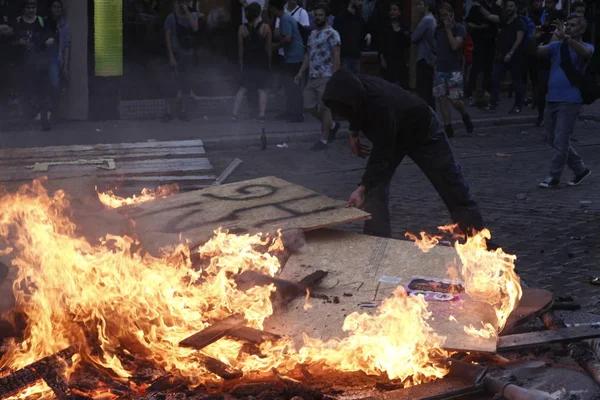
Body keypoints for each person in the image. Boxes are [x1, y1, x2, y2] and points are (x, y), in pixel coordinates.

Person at [322, 69, 485, 238]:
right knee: (375, 187)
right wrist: (353, 132)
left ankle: (477, 237)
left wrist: (361, 188)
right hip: (394, 133)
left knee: (450, 183)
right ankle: (377, 242)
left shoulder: (380, 105)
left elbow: (382, 155)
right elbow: (355, 110)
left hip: (423, 133)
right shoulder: (356, 87)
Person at [530, 14, 593, 188]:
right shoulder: (558, 46)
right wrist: (534, 39)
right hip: (552, 98)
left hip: (571, 100)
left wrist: (567, 38)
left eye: (573, 25)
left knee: (561, 140)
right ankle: (580, 169)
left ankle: (554, 176)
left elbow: (586, 54)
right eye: (568, 25)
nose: (569, 28)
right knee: (552, 139)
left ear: (581, 29)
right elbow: (539, 52)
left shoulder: (586, 46)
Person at [294, 3, 341, 150]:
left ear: (327, 17)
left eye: (321, 15)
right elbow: (308, 54)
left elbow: (336, 56)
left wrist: (335, 77)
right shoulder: (312, 34)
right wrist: (301, 72)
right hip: (312, 76)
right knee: (308, 106)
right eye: (316, 15)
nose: (318, 17)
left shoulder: (332, 33)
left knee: (325, 109)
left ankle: (324, 140)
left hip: (326, 75)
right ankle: (332, 125)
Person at [433, 2, 474, 137]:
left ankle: (464, 114)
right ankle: (448, 126)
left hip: (454, 70)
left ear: (452, 14)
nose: (444, 18)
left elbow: (455, 46)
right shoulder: (437, 29)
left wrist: (448, 30)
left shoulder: (459, 28)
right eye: (441, 15)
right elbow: (436, 47)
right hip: (440, 69)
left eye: (446, 15)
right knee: (441, 99)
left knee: (455, 100)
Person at [12, 0, 54, 130]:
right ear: (24, 8)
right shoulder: (18, 21)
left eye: (33, 7)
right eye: (28, 7)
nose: (31, 10)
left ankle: (43, 118)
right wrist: (19, 43)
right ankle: (27, 119)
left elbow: (50, 37)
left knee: (42, 91)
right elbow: (10, 40)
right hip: (23, 62)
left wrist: (43, 43)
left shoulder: (41, 21)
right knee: (26, 92)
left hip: (39, 61)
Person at [232, 3, 271, 122]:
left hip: (248, 62)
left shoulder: (242, 28)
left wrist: (240, 61)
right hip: (261, 62)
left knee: (242, 88)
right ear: (259, 13)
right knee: (262, 88)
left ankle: (234, 114)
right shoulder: (266, 28)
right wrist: (269, 63)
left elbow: (240, 48)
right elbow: (268, 48)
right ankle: (261, 115)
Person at [485, 0, 525, 113]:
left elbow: (519, 39)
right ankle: (493, 103)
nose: (509, 8)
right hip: (501, 55)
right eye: (507, 6)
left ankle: (518, 105)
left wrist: (511, 52)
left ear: (515, 7)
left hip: (514, 56)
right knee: (495, 79)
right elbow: (491, 15)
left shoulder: (519, 22)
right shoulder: (504, 21)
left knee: (517, 81)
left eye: (511, 6)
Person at [163, 0, 199, 122]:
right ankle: (168, 112)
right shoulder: (171, 18)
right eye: (181, 2)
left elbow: (195, 28)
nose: (183, 4)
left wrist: (188, 12)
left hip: (188, 54)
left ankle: (183, 111)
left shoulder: (192, 15)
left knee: (186, 85)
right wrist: (171, 56)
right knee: (171, 85)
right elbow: (167, 38)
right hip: (176, 54)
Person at [274, 0, 310, 121]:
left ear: (274, 8)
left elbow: (288, 38)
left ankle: (297, 114)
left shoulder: (285, 19)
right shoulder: (286, 17)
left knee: (293, 85)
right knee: (289, 85)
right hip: (293, 56)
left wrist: (275, 46)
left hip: (294, 57)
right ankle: (290, 111)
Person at [464, 0, 502, 107]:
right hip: (479, 42)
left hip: (492, 42)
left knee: (489, 70)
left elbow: (498, 20)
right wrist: (479, 28)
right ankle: (470, 93)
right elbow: (468, 23)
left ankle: (487, 94)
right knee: (476, 68)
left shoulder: (496, 8)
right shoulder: (476, 7)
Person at [45, 0, 70, 121]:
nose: (57, 9)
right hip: (43, 57)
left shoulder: (64, 24)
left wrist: (65, 65)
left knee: (55, 85)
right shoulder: (44, 22)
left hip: (55, 58)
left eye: (59, 7)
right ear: (50, 8)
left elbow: (66, 46)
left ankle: (49, 112)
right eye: (55, 7)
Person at [333, 0, 370, 74]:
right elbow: (335, 39)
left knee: (355, 83)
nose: (361, 3)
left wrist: (368, 35)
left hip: (356, 57)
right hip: (344, 57)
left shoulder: (360, 20)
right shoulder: (340, 18)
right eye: (359, 0)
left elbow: (362, 36)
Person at [378, 2, 410, 88]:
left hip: (401, 61)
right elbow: (381, 45)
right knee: (388, 86)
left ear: (399, 12)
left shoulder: (404, 27)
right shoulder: (385, 27)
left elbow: (408, 45)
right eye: (391, 10)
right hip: (388, 61)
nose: (392, 12)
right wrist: (382, 59)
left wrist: (408, 60)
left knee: (402, 86)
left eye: (395, 10)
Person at [411, 0, 436, 109]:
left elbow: (414, 37)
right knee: (428, 90)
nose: (418, 7)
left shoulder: (426, 20)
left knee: (423, 90)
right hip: (430, 58)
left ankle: (428, 115)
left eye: (420, 4)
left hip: (423, 58)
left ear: (426, 7)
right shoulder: (433, 19)